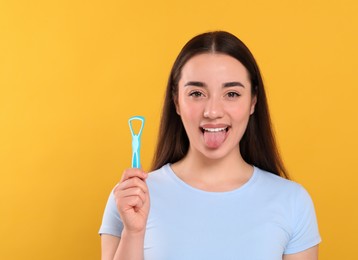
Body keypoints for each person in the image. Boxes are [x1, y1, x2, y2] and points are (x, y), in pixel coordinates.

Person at [99, 31, 321, 260]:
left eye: (232, 94)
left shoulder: (292, 201)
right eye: (196, 93)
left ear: (253, 101)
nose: (213, 111)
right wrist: (134, 233)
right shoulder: (131, 198)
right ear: (176, 101)